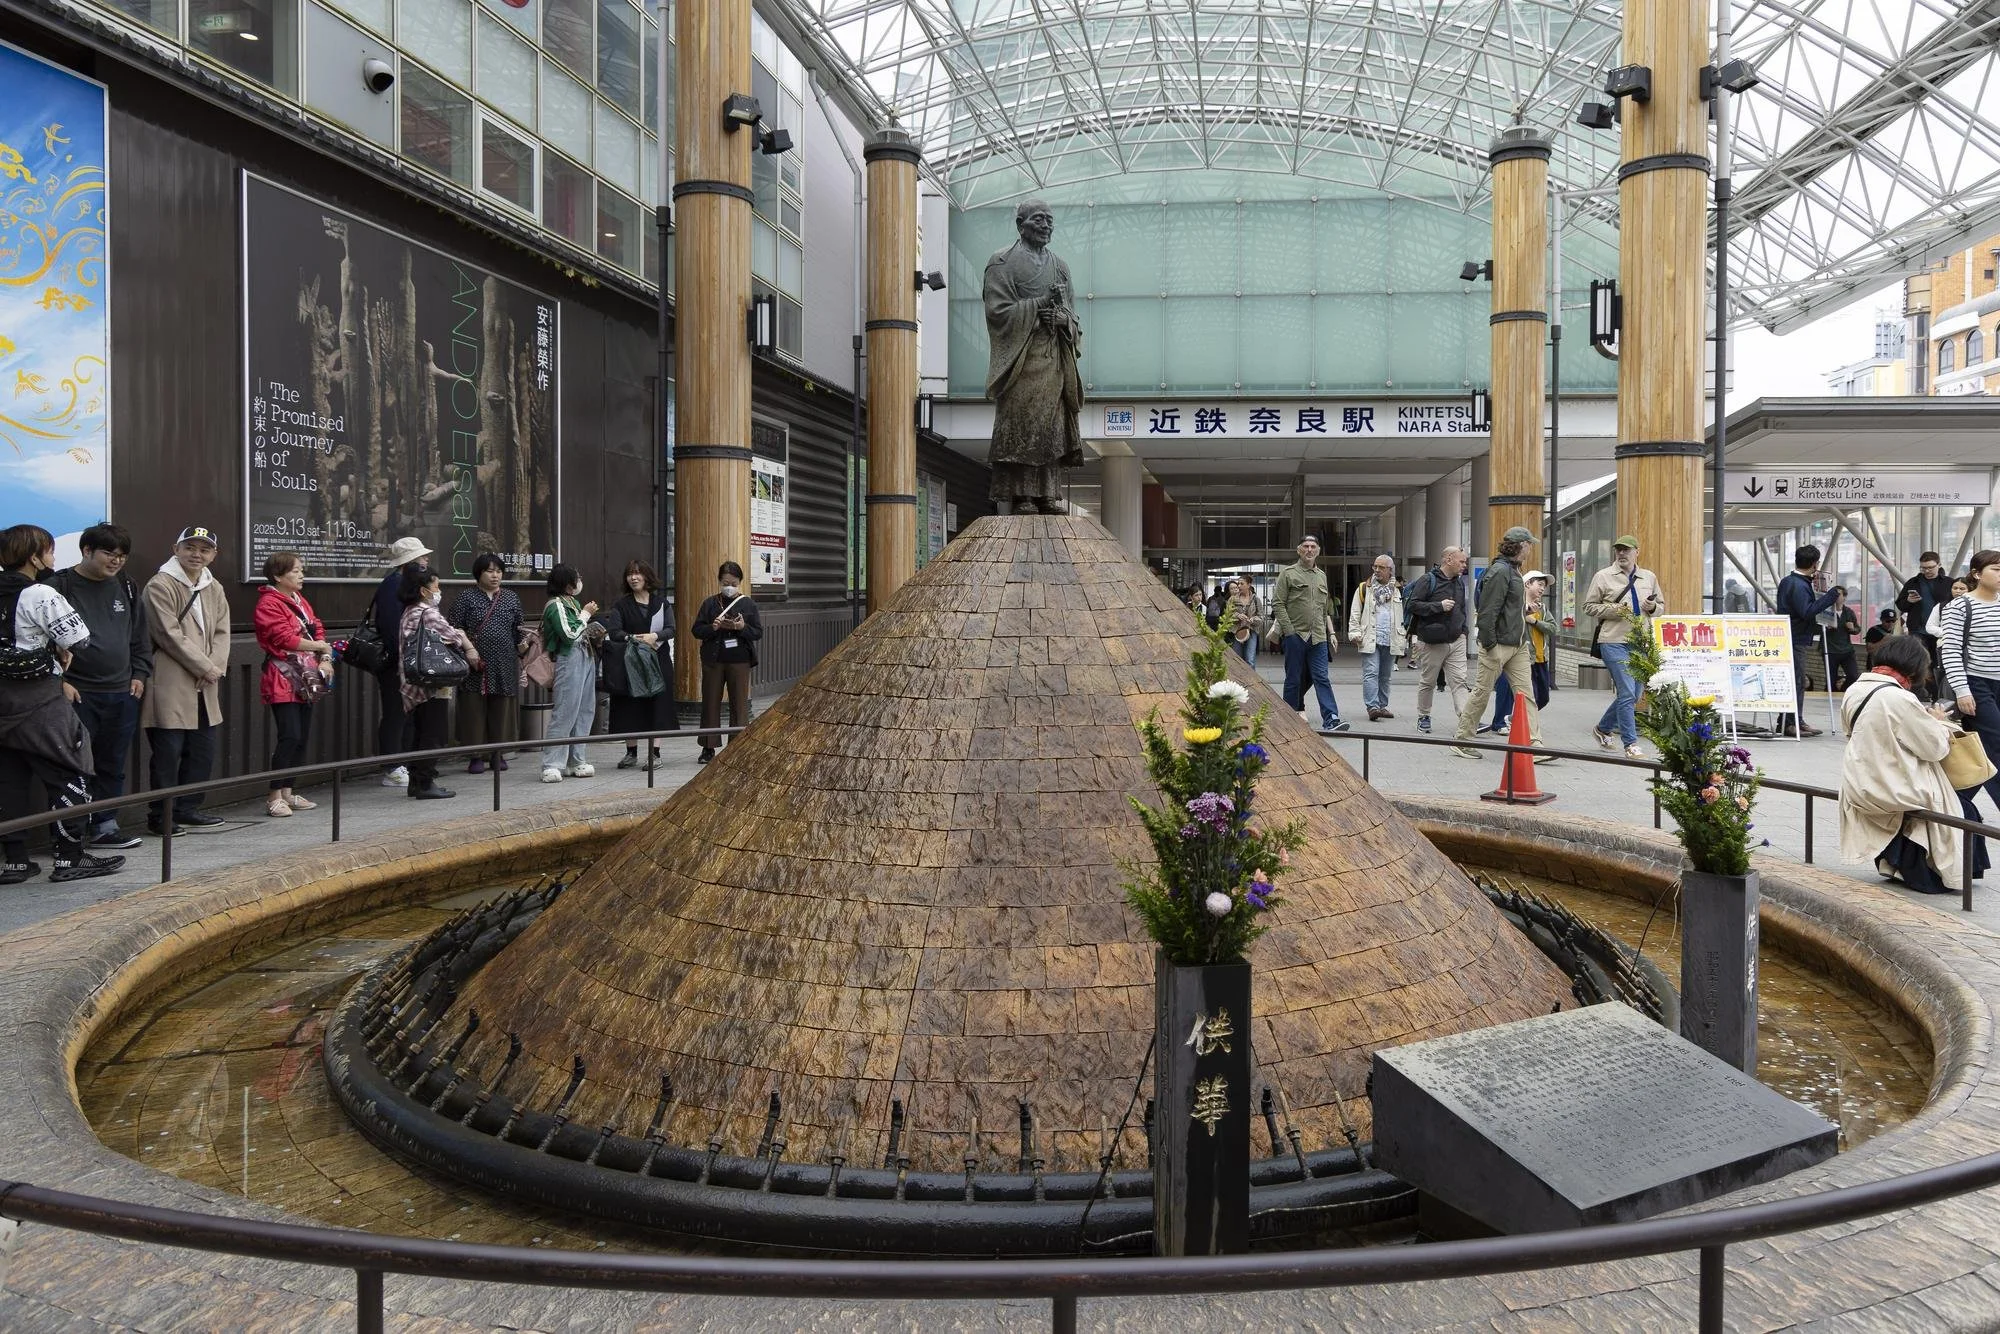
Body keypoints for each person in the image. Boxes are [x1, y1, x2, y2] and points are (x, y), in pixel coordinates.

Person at [0, 524, 123, 884]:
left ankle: (15, 861)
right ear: (34, 556)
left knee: (9, 779)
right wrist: (59, 647)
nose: (53, 557)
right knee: (71, 771)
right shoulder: (39, 593)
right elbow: (78, 637)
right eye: (49, 551)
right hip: (37, 697)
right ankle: (70, 857)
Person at [1841, 632, 1984, 893]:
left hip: (1861, 779)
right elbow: (1934, 749)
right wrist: (1938, 722)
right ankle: (1938, 873)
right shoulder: (1899, 698)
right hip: (1895, 782)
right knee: (1962, 809)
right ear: (1914, 666)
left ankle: (1895, 863)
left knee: (1953, 805)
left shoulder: (1856, 689)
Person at [48, 523, 152, 851]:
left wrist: (140, 673)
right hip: (76, 692)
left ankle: (105, 826)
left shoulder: (127, 585)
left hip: (122, 691)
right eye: (109, 553)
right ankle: (69, 835)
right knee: (73, 765)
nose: (116, 561)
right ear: (87, 550)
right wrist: (59, 681)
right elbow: (39, 642)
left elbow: (139, 635)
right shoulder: (57, 587)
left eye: (122, 555)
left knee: (111, 762)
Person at [141, 526, 230, 836]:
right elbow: (167, 634)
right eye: (190, 547)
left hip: (206, 682)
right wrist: (205, 667)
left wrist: (215, 667)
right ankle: (160, 815)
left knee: (201, 749)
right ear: (175, 548)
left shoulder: (213, 586)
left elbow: (222, 632)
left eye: (204, 549)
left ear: (213, 555)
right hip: (171, 677)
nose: (197, 554)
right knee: (168, 751)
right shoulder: (160, 584)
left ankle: (189, 808)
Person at [1455, 527, 1549, 760]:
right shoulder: (1500, 572)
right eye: (1530, 544)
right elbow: (1487, 611)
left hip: (1516, 644)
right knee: (1482, 692)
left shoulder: (1513, 570)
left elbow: (1505, 608)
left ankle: (1534, 746)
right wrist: (1489, 644)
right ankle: (1462, 740)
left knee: (1526, 695)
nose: (1531, 549)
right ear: (1521, 546)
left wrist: (1523, 611)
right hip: (1498, 645)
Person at [253, 552, 333, 818]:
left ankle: (288, 790)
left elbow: (317, 627)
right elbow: (282, 637)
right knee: (290, 735)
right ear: (278, 576)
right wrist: (319, 646)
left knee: (303, 736)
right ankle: (274, 795)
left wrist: (325, 657)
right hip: (283, 674)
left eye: (301, 570)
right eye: (295, 571)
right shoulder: (268, 602)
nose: (301, 575)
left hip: (306, 673)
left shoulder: (300, 600)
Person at [396, 566, 480, 800]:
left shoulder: (409, 611)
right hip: (431, 682)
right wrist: (462, 635)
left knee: (419, 732)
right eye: (436, 586)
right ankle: (426, 782)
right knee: (433, 733)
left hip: (412, 681)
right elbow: (453, 636)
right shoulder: (427, 612)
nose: (438, 590)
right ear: (424, 590)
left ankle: (416, 781)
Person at [1583, 535, 1663, 759]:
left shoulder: (1648, 577)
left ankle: (1602, 729)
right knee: (1627, 692)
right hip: (1613, 641)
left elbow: (1661, 608)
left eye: (1626, 550)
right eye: (1618, 550)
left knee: (1635, 694)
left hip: (1640, 642)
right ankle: (1631, 744)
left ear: (1637, 551)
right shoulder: (1603, 576)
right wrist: (1615, 609)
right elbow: (1588, 607)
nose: (1621, 554)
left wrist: (1652, 605)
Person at [448, 554, 525, 774]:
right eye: (489, 571)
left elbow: (518, 630)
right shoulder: (466, 597)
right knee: (473, 708)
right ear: (478, 574)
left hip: (504, 661)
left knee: (501, 708)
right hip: (475, 662)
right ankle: (475, 755)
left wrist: (525, 645)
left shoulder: (511, 598)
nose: (495, 575)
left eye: (498, 571)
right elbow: (453, 628)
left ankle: (498, 752)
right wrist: (467, 650)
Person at [598, 559, 677, 768]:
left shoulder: (661, 603)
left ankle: (655, 754)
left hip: (658, 660)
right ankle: (630, 752)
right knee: (628, 706)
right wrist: (632, 638)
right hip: (631, 661)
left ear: (647, 577)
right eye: (629, 574)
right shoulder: (621, 605)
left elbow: (671, 628)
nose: (633, 577)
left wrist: (655, 636)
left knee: (658, 706)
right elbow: (614, 632)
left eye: (637, 573)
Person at [1939, 550, 2000, 815]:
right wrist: (1963, 691)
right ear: (1977, 574)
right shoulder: (1960, 606)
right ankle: (1956, 801)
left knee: (1987, 747)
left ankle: (1955, 800)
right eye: (1996, 570)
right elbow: (1950, 650)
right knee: (1996, 742)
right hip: (1976, 684)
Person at [369, 537, 432, 788]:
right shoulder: (392, 585)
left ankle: (404, 762)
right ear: (409, 562)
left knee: (408, 713)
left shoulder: (407, 585)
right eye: (421, 557)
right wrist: (406, 657)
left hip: (411, 660)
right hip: (397, 661)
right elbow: (393, 628)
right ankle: (392, 766)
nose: (426, 560)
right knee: (395, 713)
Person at [1271, 536, 1348, 734]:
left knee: (1322, 677)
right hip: (1296, 635)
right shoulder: (1288, 574)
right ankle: (1288, 719)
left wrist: (1329, 633)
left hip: (1318, 637)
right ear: (1299, 550)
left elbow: (1323, 608)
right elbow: (1278, 603)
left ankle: (1331, 718)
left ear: (1318, 551)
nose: (1309, 550)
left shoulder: (1321, 575)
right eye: (1305, 546)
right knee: (1293, 678)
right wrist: (1289, 631)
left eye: (1313, 547)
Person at [692, 561, 762, 764]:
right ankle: (708, 747)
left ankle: (738, 746)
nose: (728, 586)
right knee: (710, 702)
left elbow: (757, 632)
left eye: (732, 582)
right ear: (719, 582)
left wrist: (742, 627)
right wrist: (712, 628)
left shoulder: (748, 604)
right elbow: (696, 630)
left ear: (740, 582)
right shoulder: (709, 603)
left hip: (739, 660)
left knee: (739, 704)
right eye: (725, 582)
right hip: (713, 659)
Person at [539, 564, 599, 782]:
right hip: (568, 658)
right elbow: (569, 634)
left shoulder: (571, 602)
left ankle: (577, 760)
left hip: (585, 656)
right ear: (567, 583)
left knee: (584, 710)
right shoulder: (555, 605)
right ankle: (552, 763)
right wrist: (585, 615)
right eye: (577, 578)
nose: (580, 581)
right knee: (565, 710)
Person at [1404, 545, 1471, 735]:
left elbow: (1461, 608)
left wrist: (1463, 630)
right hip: (1432, 641)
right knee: (1428, 681)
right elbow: (1413, 605)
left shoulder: (1458, 582)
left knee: (1459, 680)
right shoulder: (1428, 579)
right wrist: (1438, 606)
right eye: (1462, 561)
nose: (1464, 565)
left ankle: (1466, 719)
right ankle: (1423, 716)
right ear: (1448, 559)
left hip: (1456, 639)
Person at [1776, 546, 1841, 737]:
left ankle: (1796, 719)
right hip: (1795, 639)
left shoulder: (1792, 582)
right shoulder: (1797, 584)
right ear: (1815, 564)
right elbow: (1806, 611)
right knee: (1796, 681)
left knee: (1797, 681)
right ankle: (1790, 723)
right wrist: (1830, 597)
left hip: (1793, 636)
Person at [1488, 569, 1555, 736]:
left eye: (1544, 586)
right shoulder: (1515, 606)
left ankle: (1515, 718)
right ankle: (1503, 722)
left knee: (1543, 697)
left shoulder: (1543, 609)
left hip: (1540, 658)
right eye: (1539, 584)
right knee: (1509, 691)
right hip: (1518, 655)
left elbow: (1553, 628)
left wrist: (1534, 621)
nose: (1542, 589)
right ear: (1527, 584)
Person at [1346, 555, 1406, 721]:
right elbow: (1355, 612)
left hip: (1391, 637)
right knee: (1371, 673)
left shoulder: (1398, 590)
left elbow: (1404, 615)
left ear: (1390, 570)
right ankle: (1372, 707)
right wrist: (1355, 632)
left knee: (1385, 675)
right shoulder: (1364, 588)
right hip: (1370, 636)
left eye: (1381, 567)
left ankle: (1382, 706)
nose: (1377, 570)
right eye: (1375, 567)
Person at [1899, 551, 1955, 661]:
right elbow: (1901, 605)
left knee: (1940, 661)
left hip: (1941, 629)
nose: (1927, 571)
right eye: (1923, 568)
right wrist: (1909, 601)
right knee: (1918, 661)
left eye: (1930, 567)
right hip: (1918, 629)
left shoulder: (1949, 583)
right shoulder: (1913, 582)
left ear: (1939, 565)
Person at [1825, 587, 1863, 692]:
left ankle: (1843, 691)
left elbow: (1857, 629)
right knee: (1830, 679)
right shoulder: (1826, 611)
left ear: (1844, 597)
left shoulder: (1849, 612)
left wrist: (1852, 629)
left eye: (1839, 594)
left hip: (1846, 650)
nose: (1836, 597)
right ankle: (1828, 698)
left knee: (1853, 675)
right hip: (1830, 650)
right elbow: (1815, 628)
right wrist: (1825, 627)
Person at [1225, 576, 1264, 667]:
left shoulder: (1255, 599)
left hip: (1251, 631)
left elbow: (1261, 616)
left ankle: (1252, 681)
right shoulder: (1233, 599)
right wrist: (1238, 616)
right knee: (1236, 659)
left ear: (1249, 585)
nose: (1239, 586)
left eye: (1242, 584)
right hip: (1237, 632)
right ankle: (1237, 680)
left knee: (1250, 660)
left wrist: (1253, 619)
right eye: (1238, 583)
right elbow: (1227, 615)